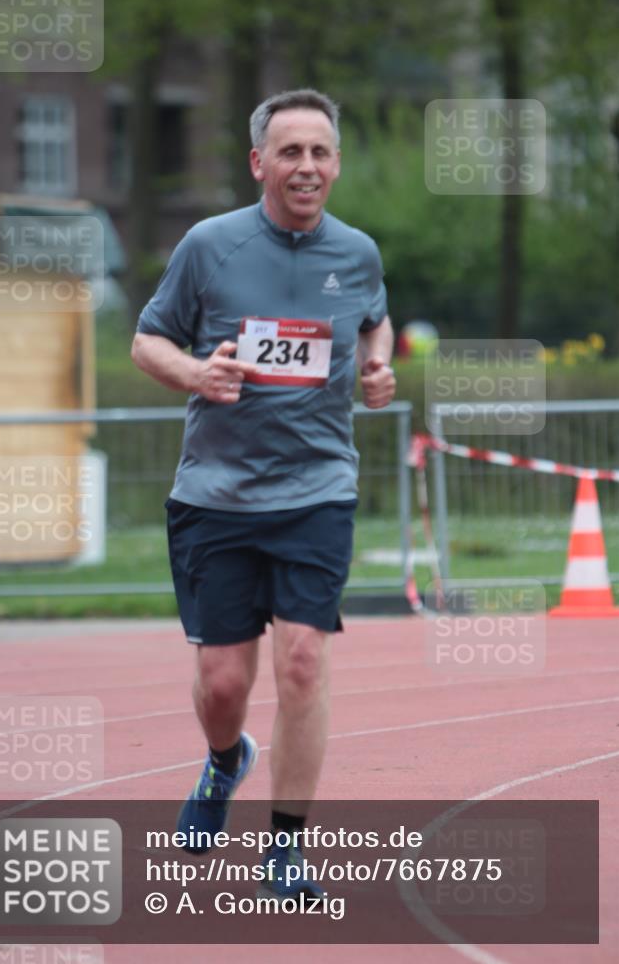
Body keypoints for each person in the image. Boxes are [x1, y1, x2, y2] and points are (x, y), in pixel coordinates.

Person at [131, 88, 395, 900]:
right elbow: (147, 340)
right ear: (258, 163)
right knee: (223, 684)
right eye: (290, 152)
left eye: (319, 152)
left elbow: (373, 320)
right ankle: (224, 761)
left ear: (335, 164)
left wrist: (378, 365)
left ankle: (285, 847)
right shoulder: (208, 246)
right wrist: (195, 373)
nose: (305, 166)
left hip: (317, 490)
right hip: (216, 496)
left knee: (304, 662)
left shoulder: (357, 252)